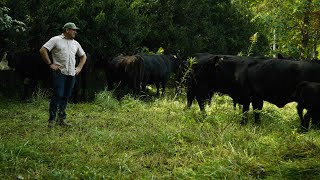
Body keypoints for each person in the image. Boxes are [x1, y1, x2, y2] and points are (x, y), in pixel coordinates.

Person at [40, 22, 87, 128]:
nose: (75, 32)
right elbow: (43, 50)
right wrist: (50, 64)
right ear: (67, 30)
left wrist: (79, 67)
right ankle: (51, 120)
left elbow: (83, 56)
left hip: (71, 74)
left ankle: (61, 119)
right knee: (58, 94)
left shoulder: (76, 43)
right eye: (73, 30)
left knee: (66, 96)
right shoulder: (56, 39)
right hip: (60, 73)